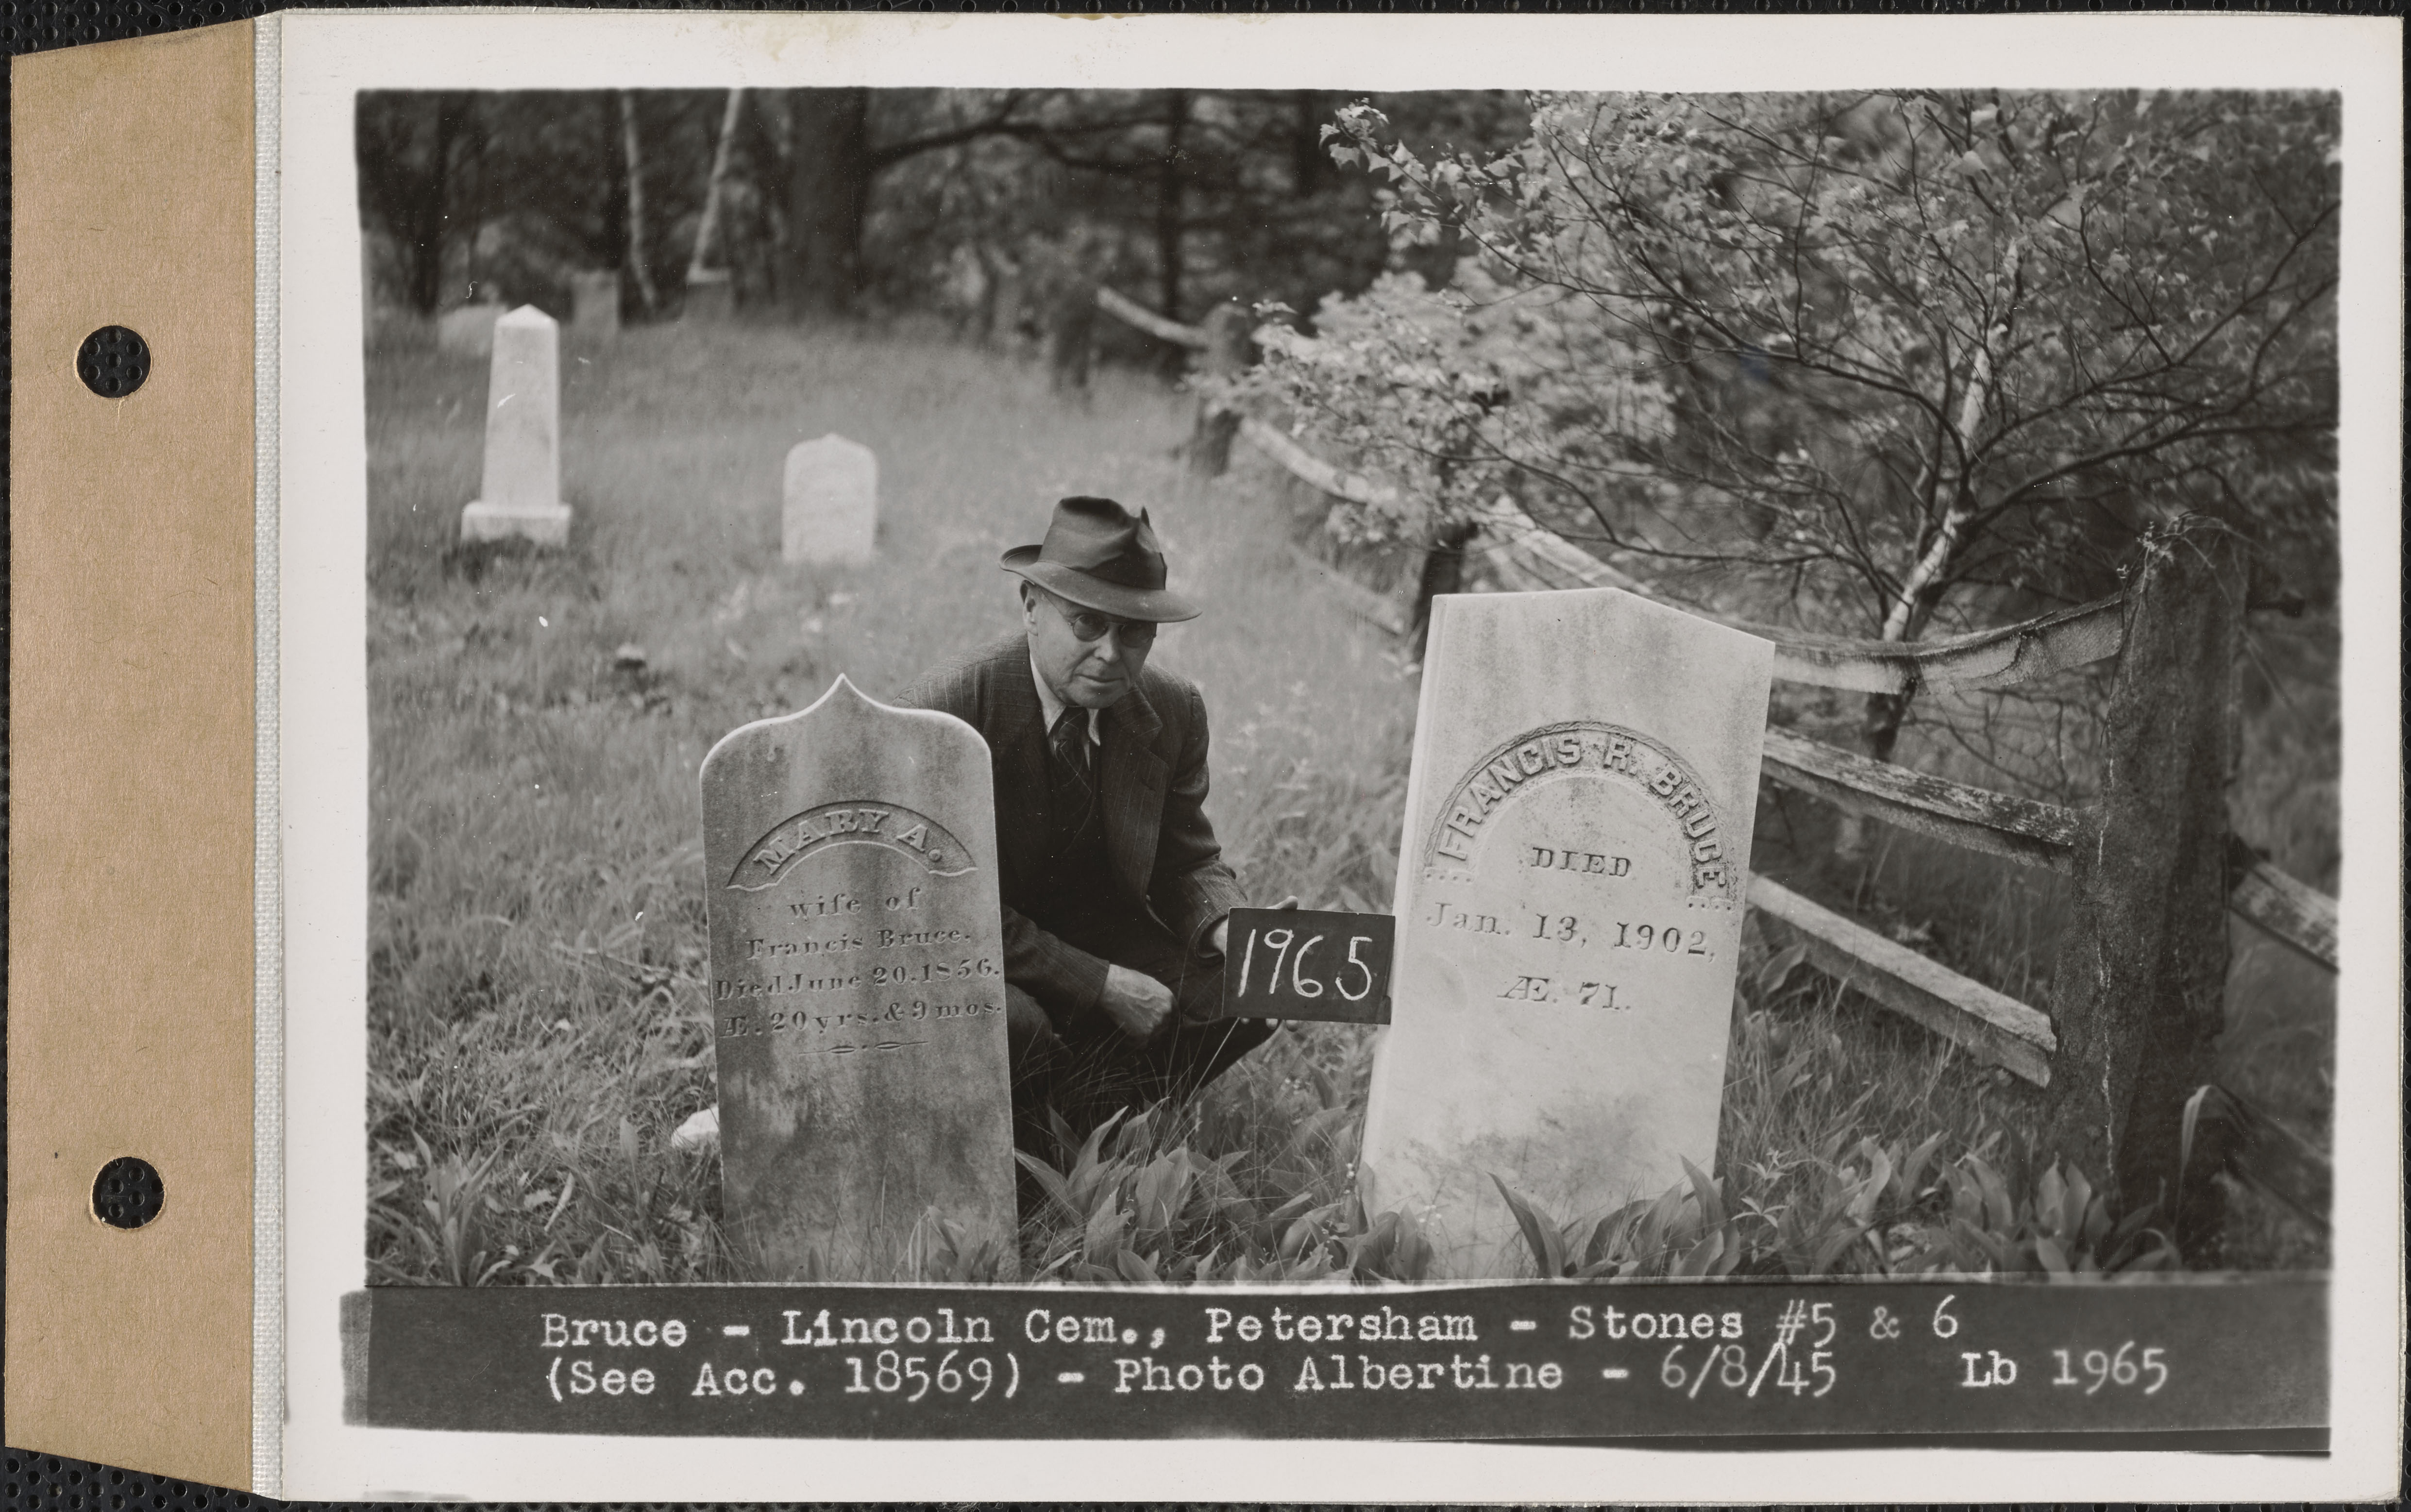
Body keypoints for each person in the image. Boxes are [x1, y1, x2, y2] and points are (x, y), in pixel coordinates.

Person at [894, 495, 1280, 1151]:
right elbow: (934, 906)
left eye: (1133, 632)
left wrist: (1227, 923)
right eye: (1087, 625)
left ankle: (1093, 1128)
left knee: (1247, 993)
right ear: (1031, 606)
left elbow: (1186, 859)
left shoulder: (1171, 707)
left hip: (1095, 924)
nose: (1110, 653)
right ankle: (1003, 1152)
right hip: (975, 940)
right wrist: (1097, 983)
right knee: (1013, 1026)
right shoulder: (948, 713)